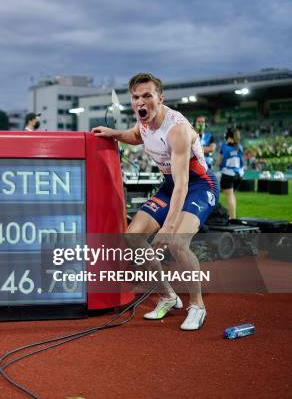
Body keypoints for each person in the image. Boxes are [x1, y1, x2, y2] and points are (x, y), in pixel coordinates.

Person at [93, 73, 219, 331]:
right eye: (136, 97)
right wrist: (113, 134)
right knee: (133, 236)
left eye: (147, 96)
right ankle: (168, 295)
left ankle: (197, 306)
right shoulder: (144, 122)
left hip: (197, 186)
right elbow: (136, 135)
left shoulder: (178, 130)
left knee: (177, 243)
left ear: (160, 99)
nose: (141, 101)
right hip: (170, 185)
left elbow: (183, 185)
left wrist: (169, 226)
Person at [219, 127, 244, 219]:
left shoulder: (224, 147)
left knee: (229, 196)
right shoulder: (240, 147)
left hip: (228, 174)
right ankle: (232, 215)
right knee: (232, 195)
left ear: (228, 136)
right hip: (239, 175)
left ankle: (232, 218)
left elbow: (220, 162)